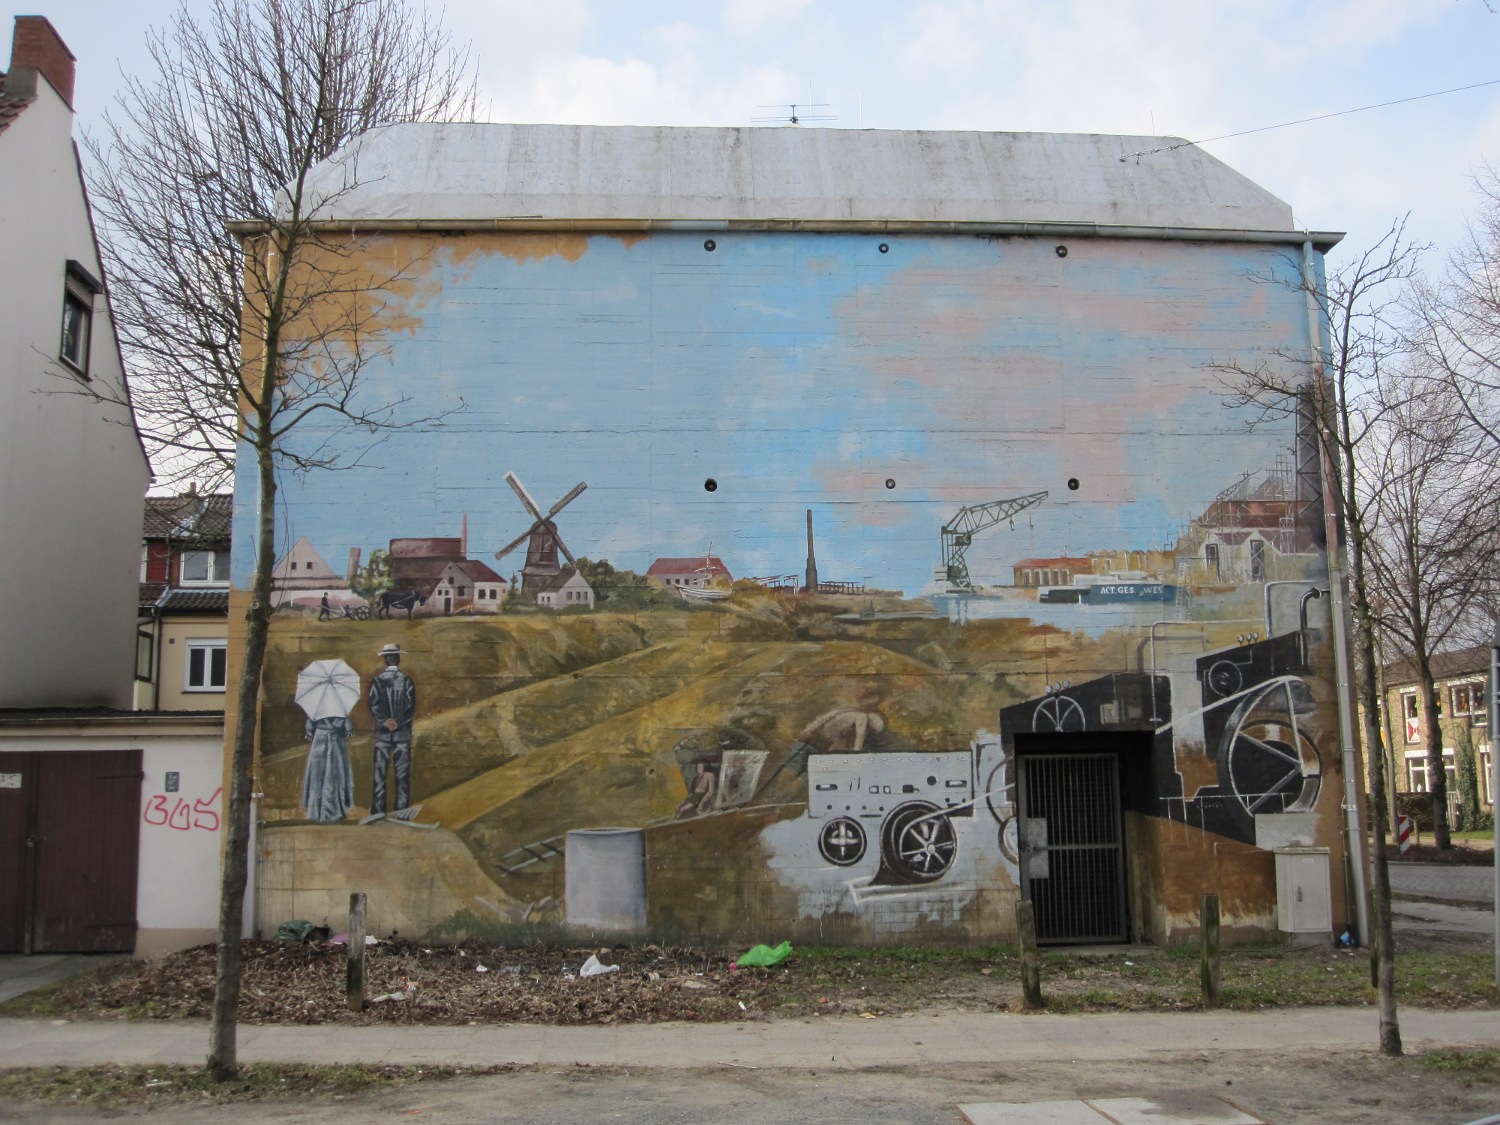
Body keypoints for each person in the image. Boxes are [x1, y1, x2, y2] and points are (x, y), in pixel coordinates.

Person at [367, 642, 416, 818]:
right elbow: (410, 707)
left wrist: (384, 721)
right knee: (402, 777)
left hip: (382, 735)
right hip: (402, 734)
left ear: (386, 660)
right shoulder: (407, 679)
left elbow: (374, 705)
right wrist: (398, 722)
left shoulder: (378, 681)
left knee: (379, 775)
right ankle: (402, 813)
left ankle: (378, 812)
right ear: (398, 658)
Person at [301, 711, 354, 822]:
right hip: (336, 739)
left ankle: (316, 812)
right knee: (335, 775)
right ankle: (335, 812)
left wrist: (310, 731)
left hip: (320, 738)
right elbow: (348, 728)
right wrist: (347, 728)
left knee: (318, 775)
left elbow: (309, 726)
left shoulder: (316, 708)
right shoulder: (340, 708)